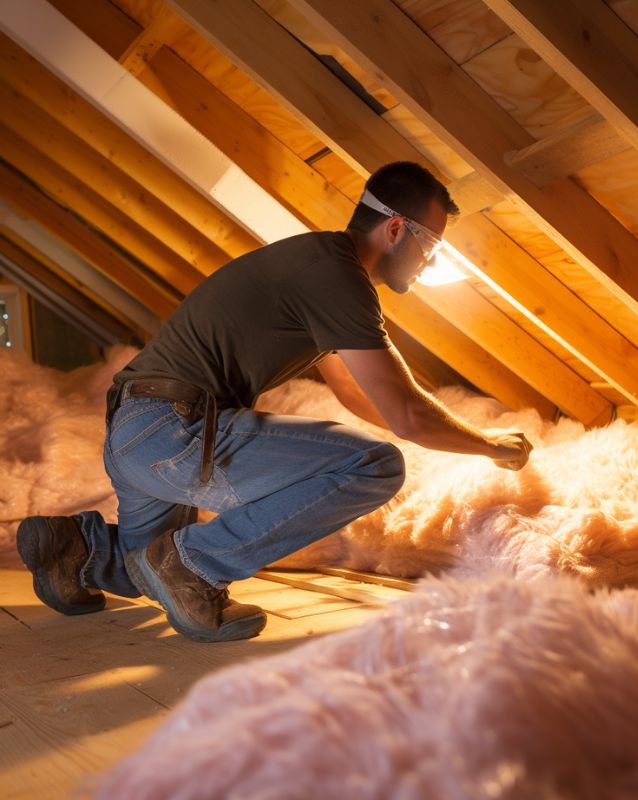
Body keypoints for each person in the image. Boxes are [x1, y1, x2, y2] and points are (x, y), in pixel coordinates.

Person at [17, 162, 532, 643]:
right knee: (375, 465)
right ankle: (194, 568)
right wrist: (491, 445)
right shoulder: (339, 278)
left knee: (142, 566)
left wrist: (444, 431)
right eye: (431, 243)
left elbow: (356, 392)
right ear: (396, 229)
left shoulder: (315, 264)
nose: (431, 261)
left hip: (136, 430)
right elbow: (405, 414)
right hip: (175, 430)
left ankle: (76, 550)